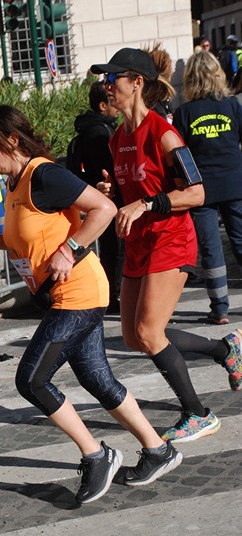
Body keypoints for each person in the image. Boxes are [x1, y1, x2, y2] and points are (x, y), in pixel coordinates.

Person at [0, 104, 182, 504]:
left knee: (31, 379)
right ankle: (158, 448)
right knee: (96, 379)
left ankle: (97, 455)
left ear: (10, 141)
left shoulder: (45, 174)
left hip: (78, 293)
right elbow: (23, 239)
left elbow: (105, 209)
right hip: (64, 297)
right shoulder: (16, 184)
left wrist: (70, 249)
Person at [90, 47, 242, 444]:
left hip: (171, 239)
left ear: (137, 83)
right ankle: (223, 349)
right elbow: (132, 193)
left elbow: (195, 192)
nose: (106, 86)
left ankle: (197, 412)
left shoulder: (165, 133)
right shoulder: (117, 137)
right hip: (140, 242)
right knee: (132, 337)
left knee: (148, 330)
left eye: (113, 79)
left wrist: (146, 203)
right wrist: (113, 192)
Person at [173, 51, 242, 325]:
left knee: (211, 248)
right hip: (235, 183)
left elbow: (179, 155)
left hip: (201, 190)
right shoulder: (233, 106)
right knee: (240, 241)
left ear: (190, 79)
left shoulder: (184, 113)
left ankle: (220, 308)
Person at [69, 81, 123, 313]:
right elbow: (104, 167)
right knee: (113, 249)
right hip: (106, 198)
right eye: (112, 100)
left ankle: (111, 295)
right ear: (102, 105)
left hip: (100, 197)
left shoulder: (96, 127)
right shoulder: (99, 132)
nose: (118, 106)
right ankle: (111, 296)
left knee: (110, 248)